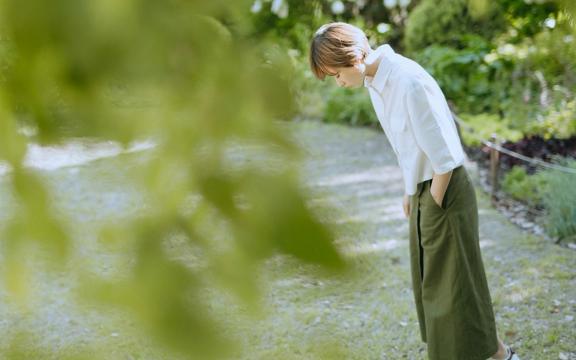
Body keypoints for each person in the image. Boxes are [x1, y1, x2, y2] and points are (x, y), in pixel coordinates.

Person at [308, 22, 520, 360]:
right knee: (438, 288)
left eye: (336, 74)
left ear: (354, 56)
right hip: (424, 191)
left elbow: (445, 157)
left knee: (455, 288)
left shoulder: (407, 81)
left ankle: (498, 356)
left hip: (444, 190)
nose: (338, 82)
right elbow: (407, 146)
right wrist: (410, 193)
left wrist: (433, 200)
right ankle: (500, 356)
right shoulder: (376, 83)